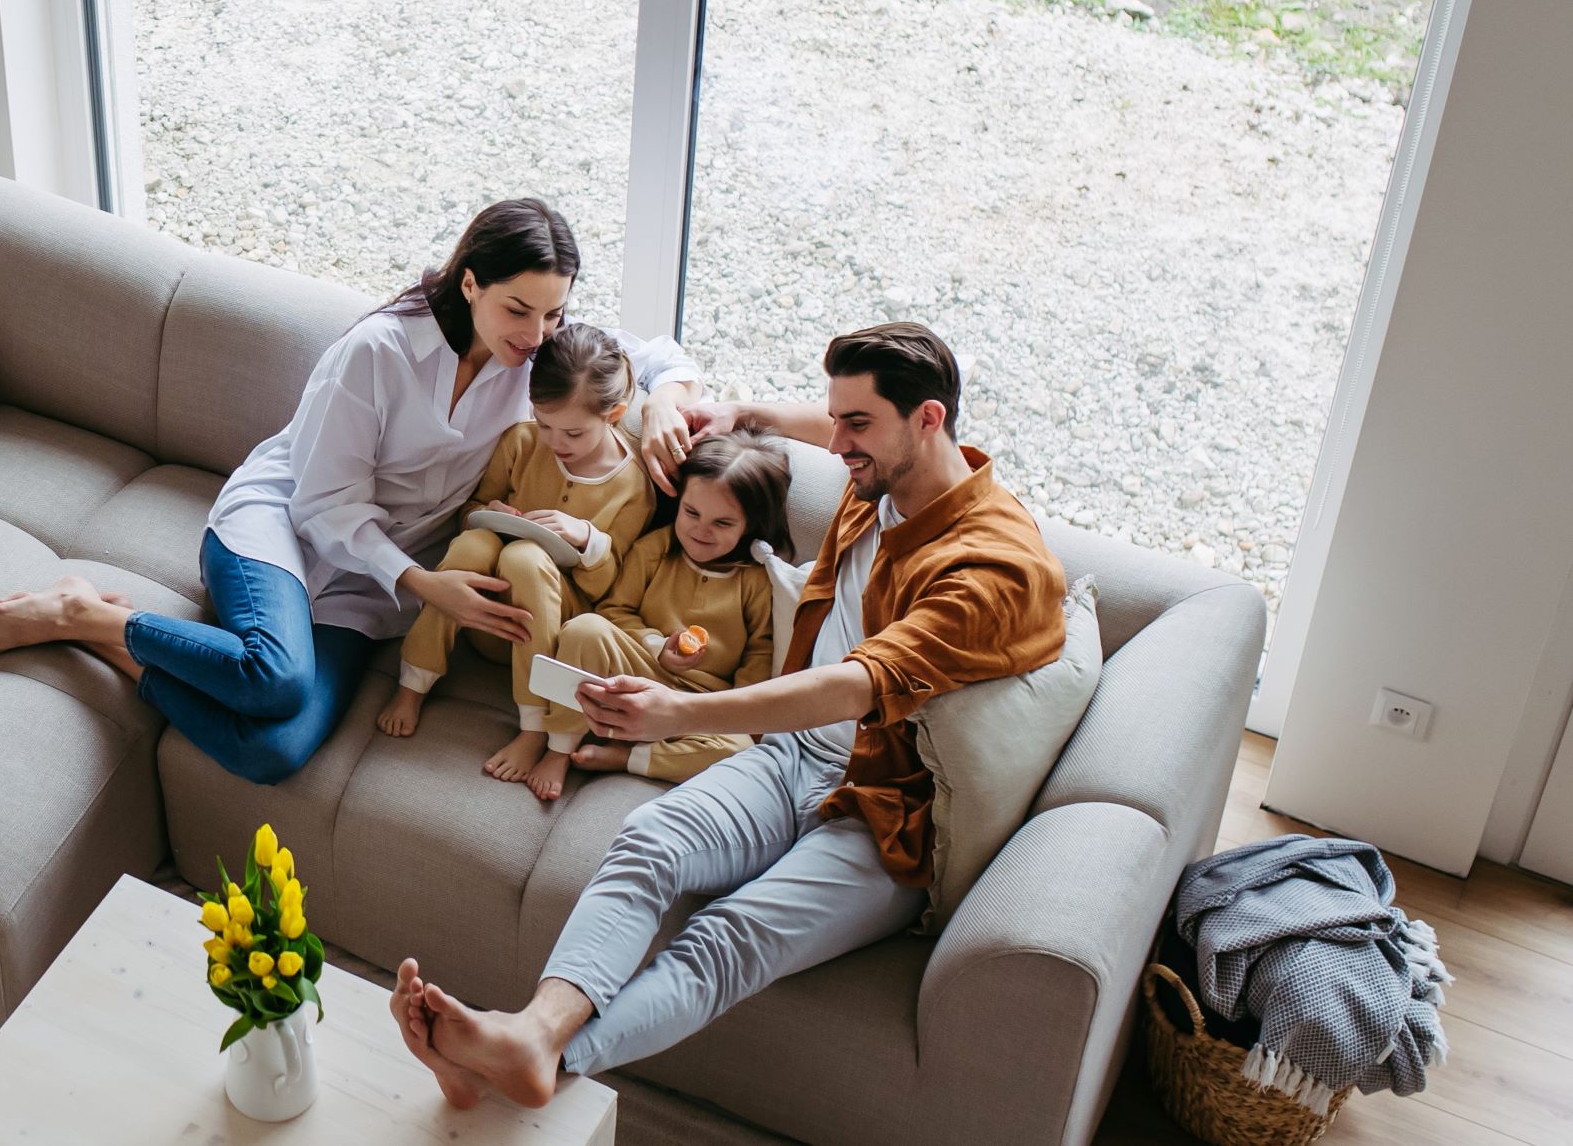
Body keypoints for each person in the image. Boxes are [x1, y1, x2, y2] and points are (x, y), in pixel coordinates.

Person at [386, 321, 1068, 1108]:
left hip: (886, 814)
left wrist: (679, 710)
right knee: (648, 841)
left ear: (929, 419)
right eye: (834, 418)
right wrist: (750, 413)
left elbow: (857, 684)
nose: (839, 444)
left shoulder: (993, 568)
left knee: (727, 937)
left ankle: (541, 1053)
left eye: (856, 425)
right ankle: (530, 1036)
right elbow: (834, 427)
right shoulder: (889, 473)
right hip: (794, 759)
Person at [0, 200, 702, 784]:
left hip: (371, 588)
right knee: (275, 675)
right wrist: (427, 585)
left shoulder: (534, 362)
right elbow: (323, 504)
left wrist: (667, 397)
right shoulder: (377, 352)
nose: (538, 333)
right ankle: (83, 610)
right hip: (282, 528)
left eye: (555, 313)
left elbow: (655, 356)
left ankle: (101, 630)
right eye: (519, 309)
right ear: (471, 280)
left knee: (274, 749)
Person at [377, 323, 656, 786]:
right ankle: (414, 682)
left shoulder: (631, 488)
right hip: (483, 616)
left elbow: (611, 594)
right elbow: (468, 513)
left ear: (614, 415)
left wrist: (586, 538)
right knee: (475, 542)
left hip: (547, 637)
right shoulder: (522, 442)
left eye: (571, 432)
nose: (554, 442)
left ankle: (534, 727)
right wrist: (491, 512)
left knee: (526, 558)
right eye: (543, 423)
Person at [526, 429, 791, 800]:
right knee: (586, 629)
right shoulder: (655, 549)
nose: (701, 530)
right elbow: (614, 611)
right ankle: (558, 747)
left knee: (741, 749)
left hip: (697, 706)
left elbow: (759, 656)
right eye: (692, 512)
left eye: (723, 523)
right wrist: (655, 646)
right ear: (679, 501)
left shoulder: (755, 581)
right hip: (637, 672)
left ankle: (631, 758)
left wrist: (728, 710)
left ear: (751, 525)